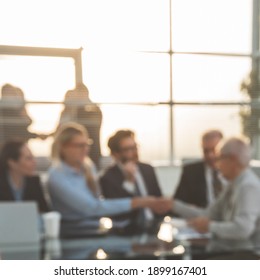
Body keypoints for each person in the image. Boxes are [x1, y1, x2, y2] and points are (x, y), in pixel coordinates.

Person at [47, 122, 172, 236]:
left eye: (87, 144)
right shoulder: (56, 176)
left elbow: (158, 201)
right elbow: (94, 207)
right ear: (63, 147)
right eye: (80, 145)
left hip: (99, 230)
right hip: (75, 234)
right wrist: (140, 200)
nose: (85, 150)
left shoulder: (88, 169)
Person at [172, 137, 260, 240]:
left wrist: (209, 226)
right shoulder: (233, 185)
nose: (217, 165)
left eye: (219, 158)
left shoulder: (248, 186)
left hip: (246, 252)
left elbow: (243, 229)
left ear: (233, 160)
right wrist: (174, 205)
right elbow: (209, 214)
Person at [99, 130, 163, 230]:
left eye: (135, 147)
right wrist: (129, 182)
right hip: (125, 233)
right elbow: (119, 213)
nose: (134, 152)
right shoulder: (107, 178)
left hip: (154, 227)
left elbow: (159, 200)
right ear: (115, 154)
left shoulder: (148, 169)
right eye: (128, 149)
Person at [174, 129, 225, 208]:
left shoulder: (234, 170)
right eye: (206, 151)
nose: (210, 155)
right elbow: (177, 203)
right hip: (200, 217)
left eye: (213, 150)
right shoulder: (190, 172)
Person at [58, 83, 102, 169]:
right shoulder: (72, 111)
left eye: (77, 94)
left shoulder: (93, 109)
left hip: (92, 153)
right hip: (73, 155)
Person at [0, 139, 49, 213]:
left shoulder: (34, 181)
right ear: (12, 163)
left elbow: (45, 210)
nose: (34, 162)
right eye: (28, 159)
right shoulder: (2, 183)